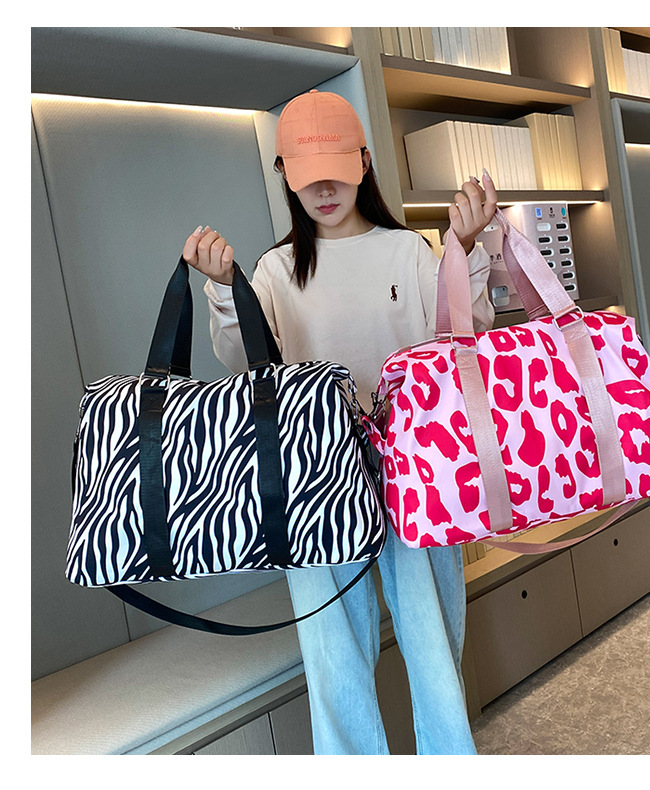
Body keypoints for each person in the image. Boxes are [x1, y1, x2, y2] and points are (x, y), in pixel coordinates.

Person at [182, 89, 498, 755]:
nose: (324, 189)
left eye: (337, 169)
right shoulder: (273, 270)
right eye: (306, 175)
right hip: (313, 475)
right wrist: (225, 290)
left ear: (363, 162)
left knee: (434, 646)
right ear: (284, 176)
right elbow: (246, 367)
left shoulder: (408, 251)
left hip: (416, 468)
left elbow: (460, 339)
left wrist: (465, 249)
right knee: (334, 658)